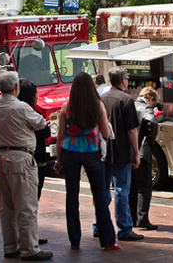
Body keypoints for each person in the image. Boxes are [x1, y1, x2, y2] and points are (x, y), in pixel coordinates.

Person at [52, 72, 118, 251]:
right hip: (91, 152)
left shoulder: (66, 107)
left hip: (70, 152)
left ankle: (75, 240)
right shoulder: (98, 106)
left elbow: (60, 136)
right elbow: (105, 133)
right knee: (100, 196)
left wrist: (58, 160)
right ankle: (108, 241)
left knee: (71, 196)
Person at [0, 71, 53, 261]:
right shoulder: (21, 107)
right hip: (20, 157)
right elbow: (41, 123)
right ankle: (30, 249)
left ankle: (10, 246)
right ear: (16, 87)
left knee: (7, 206)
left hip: (0, 155)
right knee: (26, 206)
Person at [101, 66, 144, 241]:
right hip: (121, 152)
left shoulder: (102, 98)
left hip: (104, 150)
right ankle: (125, 229)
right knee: (121, 190)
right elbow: (132, 131)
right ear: (124, 80)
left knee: (103, 190)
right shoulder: (126, 100)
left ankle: (100, 225)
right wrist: (136, 152)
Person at [130, 87, 159, 230]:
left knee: (131, 186)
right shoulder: (146, 108)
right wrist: (150, 139)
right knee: (144, 186)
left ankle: (132, 217)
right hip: (142, 152)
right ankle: (142, 218)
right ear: (151, 99)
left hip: (128, 152)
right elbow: (152, 123)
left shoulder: (130, 105)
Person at [17, 81, 51, 201]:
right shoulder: (35, 115)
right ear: (32, 97)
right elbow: (47, 133)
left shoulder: (14, 114)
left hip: (19, 159)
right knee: (33, 198)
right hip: (37, 160)